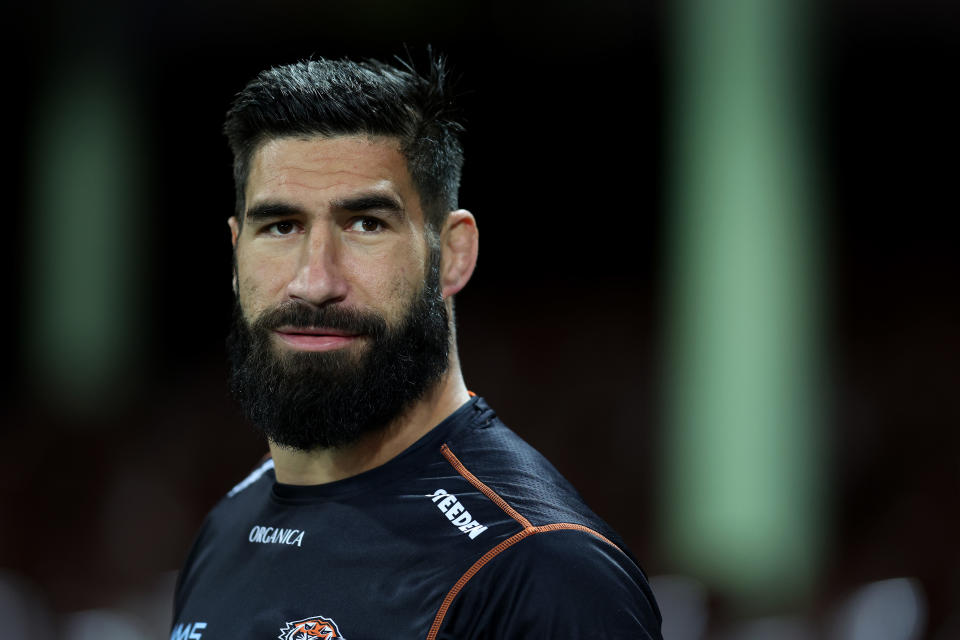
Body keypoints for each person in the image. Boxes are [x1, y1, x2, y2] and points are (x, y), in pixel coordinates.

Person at [171, 54, 662, 640]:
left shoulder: (542, 572)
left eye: (366, 224)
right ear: (235, 251)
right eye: (281, 226)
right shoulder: (229, 524)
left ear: (452, 253)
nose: (315, 280)